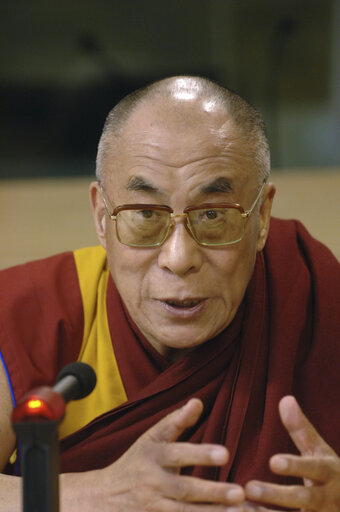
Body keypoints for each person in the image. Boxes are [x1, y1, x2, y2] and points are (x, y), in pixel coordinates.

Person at [0, 75, 339, 512]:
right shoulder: (30, 314)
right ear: (102, 218)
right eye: (145, 214)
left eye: (214, 214)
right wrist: (97, 493)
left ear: (263, 217)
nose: (179, 258)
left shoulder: (313, 302)